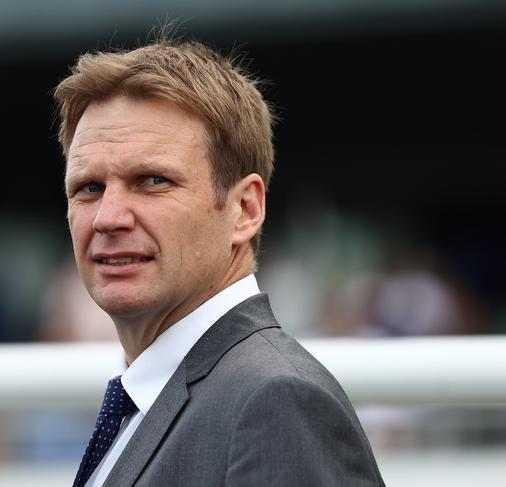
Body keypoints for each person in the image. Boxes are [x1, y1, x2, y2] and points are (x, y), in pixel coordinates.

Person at [54, 34, 385, 487]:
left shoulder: (276, 403)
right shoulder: (151, 397)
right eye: (89, 188)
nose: (108, 218)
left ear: (245, 210)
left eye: (152, 181)